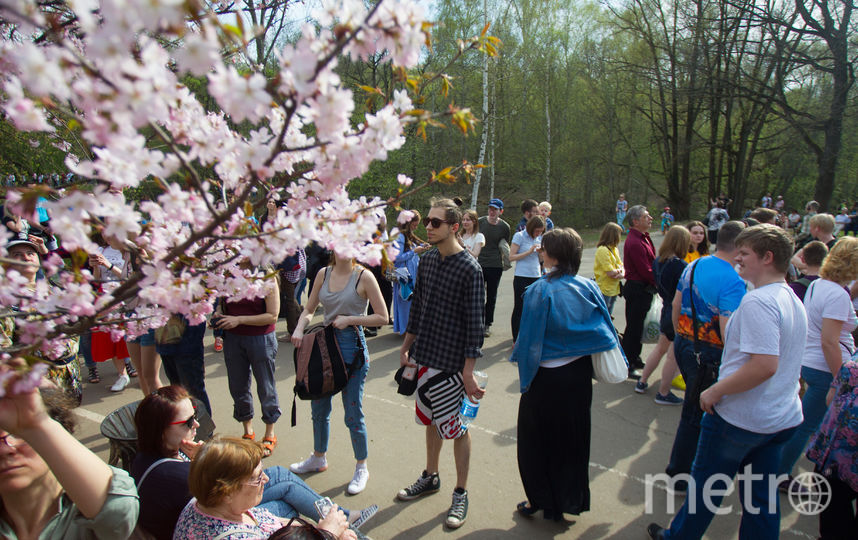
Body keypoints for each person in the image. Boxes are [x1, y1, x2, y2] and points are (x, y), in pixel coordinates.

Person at [648, 224, 808, 540]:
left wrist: (715, 390)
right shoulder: (790, 298)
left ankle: (677, 537)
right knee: (760, 498)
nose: (738, 259)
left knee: (705, 489)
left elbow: (764, 365)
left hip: (741, 418)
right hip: (777, 417)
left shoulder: (758, 302)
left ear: (768, 258)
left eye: (745, 253)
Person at [132, 387, 376, 539]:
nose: (196, 425)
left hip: (211, 517)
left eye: (195, 416)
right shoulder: (173, 478)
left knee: (283, 489)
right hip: (219, 521)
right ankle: (345, 522)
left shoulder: (153, 455)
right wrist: (326, 535)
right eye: (187, 422)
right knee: (284, 489)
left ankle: (343, 520)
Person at [510, 228, 621, 521]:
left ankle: (541, 499)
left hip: (546, 381)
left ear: (553, 254)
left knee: (536, 443)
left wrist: (523, 378)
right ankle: (568, 500)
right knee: (573, 441)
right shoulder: (588, 285)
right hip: (579, 378)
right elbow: (607, 328)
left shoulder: (539, 290)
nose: (540, 254)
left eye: (543, 249)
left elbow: (528, 344)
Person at [396, 198, 485, 529]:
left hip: (451, 366)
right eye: (427, 222)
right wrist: (406, 347)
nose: (428, 228)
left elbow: (475, 326)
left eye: (435, 223)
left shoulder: (470, 269)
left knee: (458, 429)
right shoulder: (429, 260)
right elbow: (417, 307)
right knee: (430, 421)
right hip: (424, 358)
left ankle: (460, 492)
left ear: (455, 226)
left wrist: (468, 371)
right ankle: (430, 476)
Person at [0, 367, 139, 538]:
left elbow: (119, 512)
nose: (5, 449)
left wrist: (37, 423)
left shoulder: (82, 509)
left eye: (19, 433)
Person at [289, 253, 387, 495]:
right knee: (318, 408)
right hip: (323, 349)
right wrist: (300, 328)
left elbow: (383, 317)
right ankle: (318, 457)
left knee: (353, 413)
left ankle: (361, 466)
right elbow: (309, 308)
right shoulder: (323, 273)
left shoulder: (364, 277)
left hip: (352, 351)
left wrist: (350, 320)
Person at [665, 221, 747, 483]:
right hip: (709, 352)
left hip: (686, 343)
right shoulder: (733, 280)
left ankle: (683, 466)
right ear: (739, 247)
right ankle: (681, 471)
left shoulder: (695, 264)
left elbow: (676, 305)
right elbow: (728, 329)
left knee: (693, 407)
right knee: (697, 413)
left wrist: (681, 336)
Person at [777, 237, 858, 487]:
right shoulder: (837, 294)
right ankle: (779, 475)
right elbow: (829, 342)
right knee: (805, 426)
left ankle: (777, 470)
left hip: (812, 362)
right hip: (826, 368)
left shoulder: (820, 284)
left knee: (802, 422)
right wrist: (841, 379)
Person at [173, 437, 358, 540]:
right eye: (256, 478)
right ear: (227, 492)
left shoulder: (202, 502)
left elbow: (268, 520)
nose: (266, 478)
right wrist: (327, 535)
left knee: (288, 504)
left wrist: (317, 530)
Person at [1, 233, 82, 405]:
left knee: (69, 417)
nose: (26, 257)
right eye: (17, 254)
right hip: (38, 379)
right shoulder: (8, 299)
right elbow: (4, 348)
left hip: (68, 371)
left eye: (31, 253)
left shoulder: (52, 289)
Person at [212, 265, 280, 457]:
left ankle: (270, 432)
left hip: (261, 338)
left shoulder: (267, 275)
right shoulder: (227, 272)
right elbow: (221, 301)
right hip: (233, 338)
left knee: (266, 387)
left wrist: (239, 320)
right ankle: (248, 431)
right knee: (238, 386)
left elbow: (272, 315)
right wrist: (219, 311)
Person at [635, 226, 689, 405]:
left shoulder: (658, 261)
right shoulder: (680, 265)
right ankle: (664, 393)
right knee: (673, 355)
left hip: (666, 307)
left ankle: (642, 381)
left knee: (660, 349)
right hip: (676, 312)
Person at [805, 356, 858, 538]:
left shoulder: (852, 366)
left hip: (837, 456)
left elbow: (831, 399)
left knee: (834, 517)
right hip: (839, 458)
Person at [621, 205, 655, 379]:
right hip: (637, 288)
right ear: (635, 221)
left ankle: (635, 357)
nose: (650, 219)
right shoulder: (634, 242)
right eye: (646, 217)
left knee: (639, 326)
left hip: (643, 287)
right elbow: (645, 270)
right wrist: (659, 282)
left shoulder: (644, 237)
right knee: (634, 329)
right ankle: (627, 363)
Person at [156, 316, 212, 416]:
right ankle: (185, 424)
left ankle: (204, 429)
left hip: (188, 342)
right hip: (165, 340)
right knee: (176, 389)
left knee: (194, 390)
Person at [477, 198, 510, 338]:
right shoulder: (480, 222)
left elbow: (504, 245)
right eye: (490, 208)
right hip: (479, 263)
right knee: (478, 295)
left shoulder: (505, 227)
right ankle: (476, 322)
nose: (492, 211)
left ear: (500, 211)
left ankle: (487, 324)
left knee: (491, 296)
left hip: (495, 265)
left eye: (495, 209)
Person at [392, 210, 428, 335]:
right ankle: (407, 329)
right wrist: (415, 251)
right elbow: (397, 258)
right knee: (406, 301)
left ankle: (409, 328)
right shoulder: (400, 237)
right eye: (414, 225)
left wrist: (423, 246)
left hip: (411, 273)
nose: (416, 227)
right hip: (405, 275)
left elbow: (415, 244)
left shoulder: (408, 235)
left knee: (410, 301)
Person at [509, 215, 545, 343]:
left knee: (534, 308)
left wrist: (541, 254)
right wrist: (529, 252)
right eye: (537, 231)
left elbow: (541, 261)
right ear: (531, 228)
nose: (538, 233)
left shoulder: (539, 238)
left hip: (536, 275)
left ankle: (531, 336)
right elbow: (511, 257)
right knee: (520, 307)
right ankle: (516, 339)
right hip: (522, 276)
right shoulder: (520, 236)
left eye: (541, 231)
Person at [593, 222, 625, 316]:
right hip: (605, 289)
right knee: (603, 315)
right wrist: (619, 271)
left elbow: (621, 265)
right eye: (619, 234)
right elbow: (610, 272)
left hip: (614, 288)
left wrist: (621, 272)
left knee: (609, 314)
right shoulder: (603, 250)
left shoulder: (614, 249)